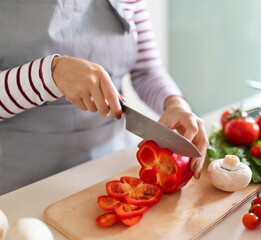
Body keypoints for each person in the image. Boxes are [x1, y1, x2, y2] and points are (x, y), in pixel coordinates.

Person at [0, 0, 208, 195]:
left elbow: (146, 70)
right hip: (20, 185)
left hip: (111, 166)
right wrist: (49, 74)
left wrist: (175, 103)